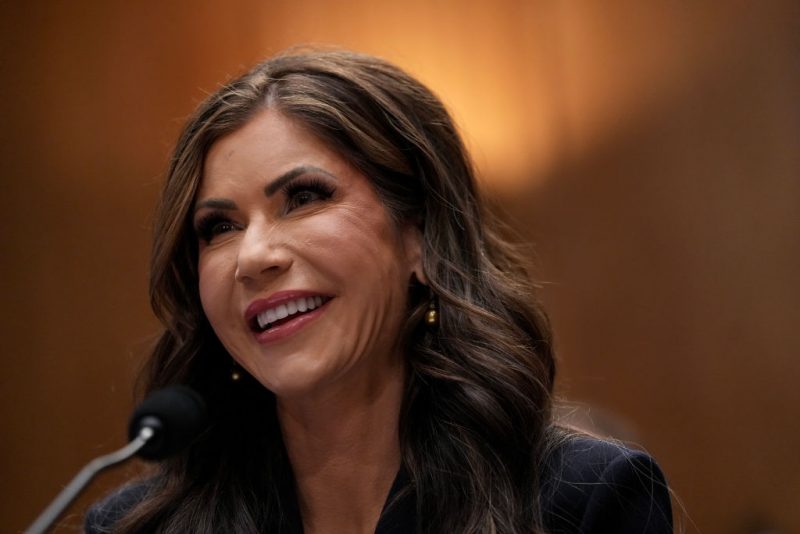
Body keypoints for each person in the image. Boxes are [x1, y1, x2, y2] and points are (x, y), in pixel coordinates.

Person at [85, 48, 673, 533]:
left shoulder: (583, 501)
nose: (253, 257)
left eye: (305, 198)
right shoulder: (134, 528)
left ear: (418, 237)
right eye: (219, 227)